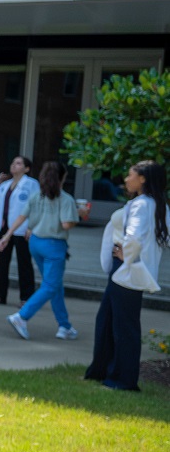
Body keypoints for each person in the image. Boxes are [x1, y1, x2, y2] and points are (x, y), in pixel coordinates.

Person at [87, 161, 167, 391]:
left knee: (124, 326)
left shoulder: (141, 205)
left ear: (142, 179)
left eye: (130, 175)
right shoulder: (157, 204)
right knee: (108, 320)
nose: (126, 179)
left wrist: (127, 256)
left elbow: (133, 236)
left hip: (127, 269)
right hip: (130, 268)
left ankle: (123, 379)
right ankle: (101, 370)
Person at [4, 161, 80, 341]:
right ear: (62, 178)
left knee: (54, 285)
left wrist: (7, 235)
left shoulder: (37, 195)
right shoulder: (66, 199)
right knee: (50, 286)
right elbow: (66, 224)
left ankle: (64, 325)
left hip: (36, 243)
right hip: (54, 245)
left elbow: (22, 217)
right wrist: (80, 215)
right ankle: (22, 316)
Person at [0, 155, 38, 305]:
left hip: (22, 229)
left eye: (19, 163)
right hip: (4, 228)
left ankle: (26, 297)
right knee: (2, 262)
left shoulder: (31, 184)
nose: (14, 165)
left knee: (24, 263)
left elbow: (35, 207)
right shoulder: (5, 185)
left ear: (27, 168)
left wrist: (31, 226)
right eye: (13, 162)